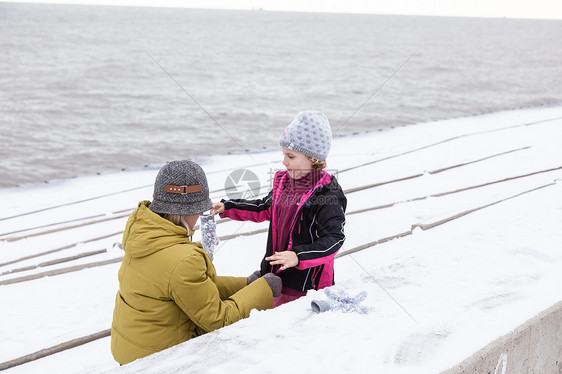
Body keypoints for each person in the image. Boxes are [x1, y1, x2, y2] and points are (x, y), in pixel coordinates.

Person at [111, 160, 281, 365]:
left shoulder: (144, 237)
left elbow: (191, 287)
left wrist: (246, 284)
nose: (201, 214)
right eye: (197, 209)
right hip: (161, 357)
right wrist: (264, 288)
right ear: (183, 212)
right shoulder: (183, 260)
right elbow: (218, 320)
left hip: (132, 347)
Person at [211, 111, 346, 307]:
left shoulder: (328, 193)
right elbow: (264, 208)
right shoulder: (284, 183)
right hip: (276, 272)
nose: (284, 161)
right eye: (284, 154)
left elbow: (334, 239)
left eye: (290, 156)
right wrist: (228, 207)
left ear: (313, 159)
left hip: (306, 284)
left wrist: (298, 257)